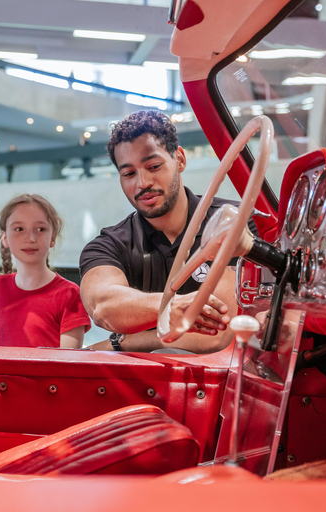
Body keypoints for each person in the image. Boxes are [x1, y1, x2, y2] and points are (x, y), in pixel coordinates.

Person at [79, 110, 254, 353]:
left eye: (154, 166)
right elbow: (103, 308)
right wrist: (172, 307)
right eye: (129, 173)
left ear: (180, 159)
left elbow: (218, 334)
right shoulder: (107, 245)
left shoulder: (238, 223)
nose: (142, 183)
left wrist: (120, 342)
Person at [0, 194, 91, 348]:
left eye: (40, 229)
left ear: (53, 237)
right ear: (4, 238)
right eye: (19, 229)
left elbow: (68, 360)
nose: (30, 238)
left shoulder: (69, 294)